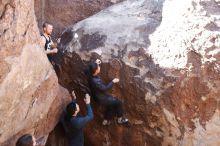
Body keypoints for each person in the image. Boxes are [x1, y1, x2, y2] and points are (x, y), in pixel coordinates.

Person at [87, 59, 128, 125]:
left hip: (96, 95)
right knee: (118, 102)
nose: (99, 67)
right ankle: (120, 119)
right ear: (96, 71)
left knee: (111, 104)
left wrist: (95, 63)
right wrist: (113, 81)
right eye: (98, 67)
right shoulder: (95, 81)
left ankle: (106, 121)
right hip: (101, 98)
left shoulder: (89, 74)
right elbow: (104, 88)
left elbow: (89, 68)